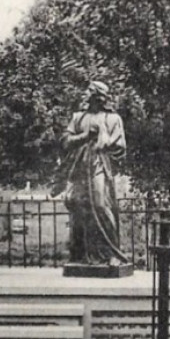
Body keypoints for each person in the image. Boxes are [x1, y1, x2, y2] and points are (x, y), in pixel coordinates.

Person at [56, 80, 130, 266]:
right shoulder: (78, 117)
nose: (85, 93)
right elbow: (65, 142)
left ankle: (112, 252)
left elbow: (120, 145)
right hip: (80, 166)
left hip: (99, 164)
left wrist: (104, 141)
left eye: (89, 90)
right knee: (78, 206)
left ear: (98, 96)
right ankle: (81, 254)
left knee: (100, 205)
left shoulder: (112, 119)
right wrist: (86, 136)